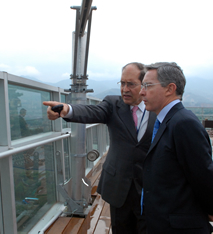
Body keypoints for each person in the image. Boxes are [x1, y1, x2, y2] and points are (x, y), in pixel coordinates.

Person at [43, 62, 156, 233]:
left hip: (149, 188)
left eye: (130, 84)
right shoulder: (112, 104)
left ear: (144, 85)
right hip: (119, 187)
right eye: (122, 83)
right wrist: (66, 110)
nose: (125, 89)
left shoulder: (156, 107)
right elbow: (91, 112)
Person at [139, 62, 213, 233]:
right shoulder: (168, 121)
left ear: (169, 89)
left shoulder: (183, 123)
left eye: (147, 86)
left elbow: (204, 175)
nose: (142, 92)